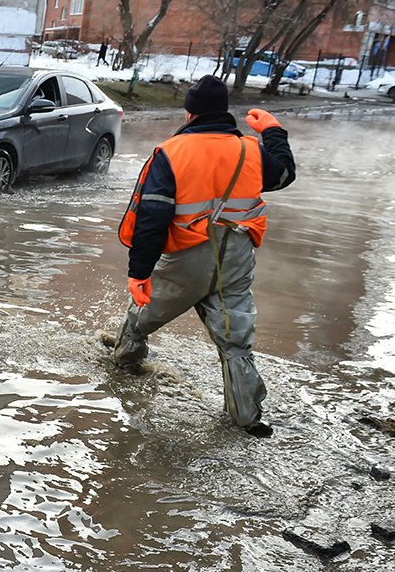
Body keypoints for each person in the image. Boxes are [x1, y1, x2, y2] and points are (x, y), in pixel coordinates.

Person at [111, 75, 296, 437]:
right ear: (223, 111)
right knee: (235, 336)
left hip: (186, 254)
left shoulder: (172, 152)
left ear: (189, 112)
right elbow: (284, 174)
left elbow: (152, 217)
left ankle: (123, 365)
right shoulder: (251, 149)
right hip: (237, 254)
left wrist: (139, 272)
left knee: (144, 314)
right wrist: (274, 131)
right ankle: (247, 418)